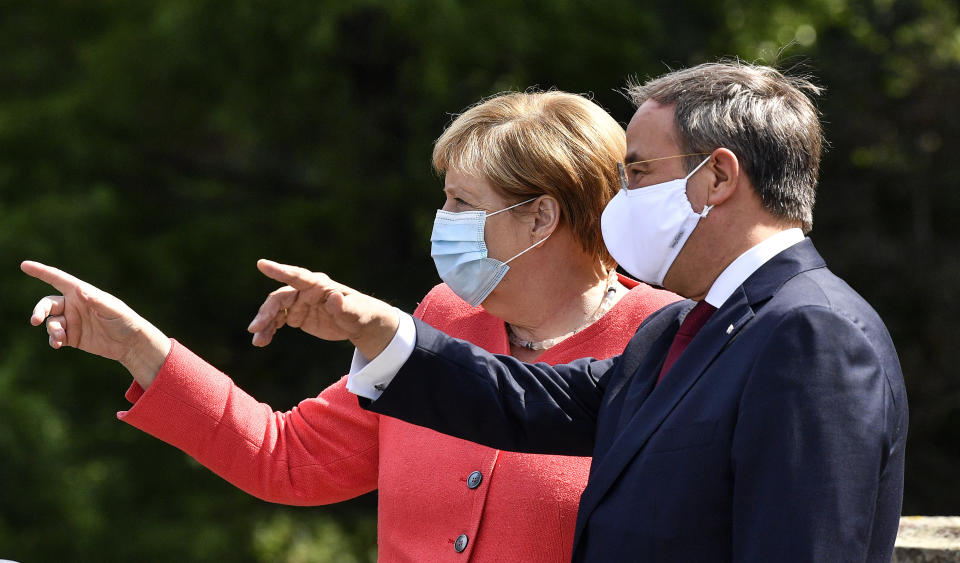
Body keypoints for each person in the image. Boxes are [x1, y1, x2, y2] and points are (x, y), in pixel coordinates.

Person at [236, 62, 908, 561]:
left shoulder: (810, 332)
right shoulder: (688, 326)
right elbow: (533, 401)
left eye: (638, 172)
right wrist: (378, 330)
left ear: (718, 178)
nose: (619, 198)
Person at [22, 91, 681, 561]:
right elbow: (288, 458)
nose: (442, 219)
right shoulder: (441, 319)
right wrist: (137, 345)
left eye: (462, 202)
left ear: (541, 218)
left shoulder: (666, 342)